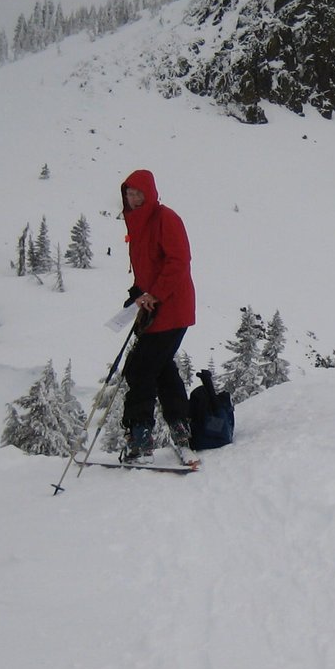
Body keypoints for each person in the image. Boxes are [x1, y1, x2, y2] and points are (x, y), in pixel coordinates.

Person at [118, 169, 196, 462]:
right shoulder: (137, 222)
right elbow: (148, 265)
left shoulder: (166, 218)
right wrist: (138, 291)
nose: (133, 197)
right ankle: (180, 429)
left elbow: (179, 262)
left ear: (150, 193)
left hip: (172, 308)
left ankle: (141, 435)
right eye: (129, 192)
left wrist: (155, 294)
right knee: (161, 368)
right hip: (155, 307)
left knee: (139, 369)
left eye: (138, 192)